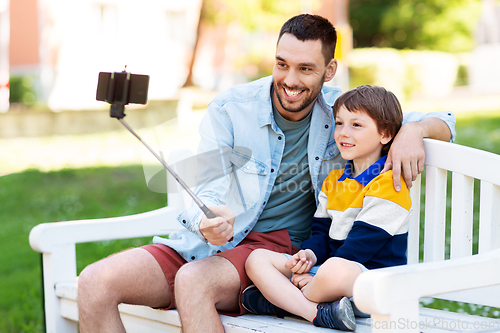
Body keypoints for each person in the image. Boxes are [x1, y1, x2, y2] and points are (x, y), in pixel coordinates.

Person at [77, 14, 456, 333]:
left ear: (329, 71)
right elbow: (205, 182)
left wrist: (414, 131)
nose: (290, 80)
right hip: (206, 246)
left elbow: (445, 121)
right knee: (94, 283)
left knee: (194, 282)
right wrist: (205, 218)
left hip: (275, 253)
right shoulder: (230, 108)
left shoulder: (342, 116)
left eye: (306, 68)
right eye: (282, 64)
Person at [242, 85, 410, 331]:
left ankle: (283, 302)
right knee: (256, 259)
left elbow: (358, 248)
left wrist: (314, 280)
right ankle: (315, 311)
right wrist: (309, 255)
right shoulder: (333, 182)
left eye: (356, 125)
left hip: (371, 285)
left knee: (335, 269)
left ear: (385, 134)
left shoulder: (389, 186)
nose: (343, 132)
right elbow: (321, 233)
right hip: (329, 274)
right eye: (339, 123)